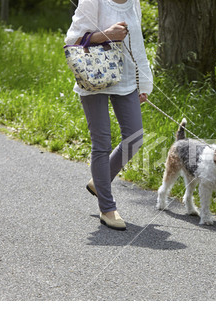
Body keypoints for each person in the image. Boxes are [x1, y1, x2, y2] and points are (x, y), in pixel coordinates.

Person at [65, 0, 153, 230]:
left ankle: (100, 181)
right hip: (94, 77)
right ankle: (107, 207)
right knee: (102, 141)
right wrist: (106, 35)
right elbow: (72, 40)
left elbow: (138, 45)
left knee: (135, 137)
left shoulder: (134, 3)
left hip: (125, 79)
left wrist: (143, 82)